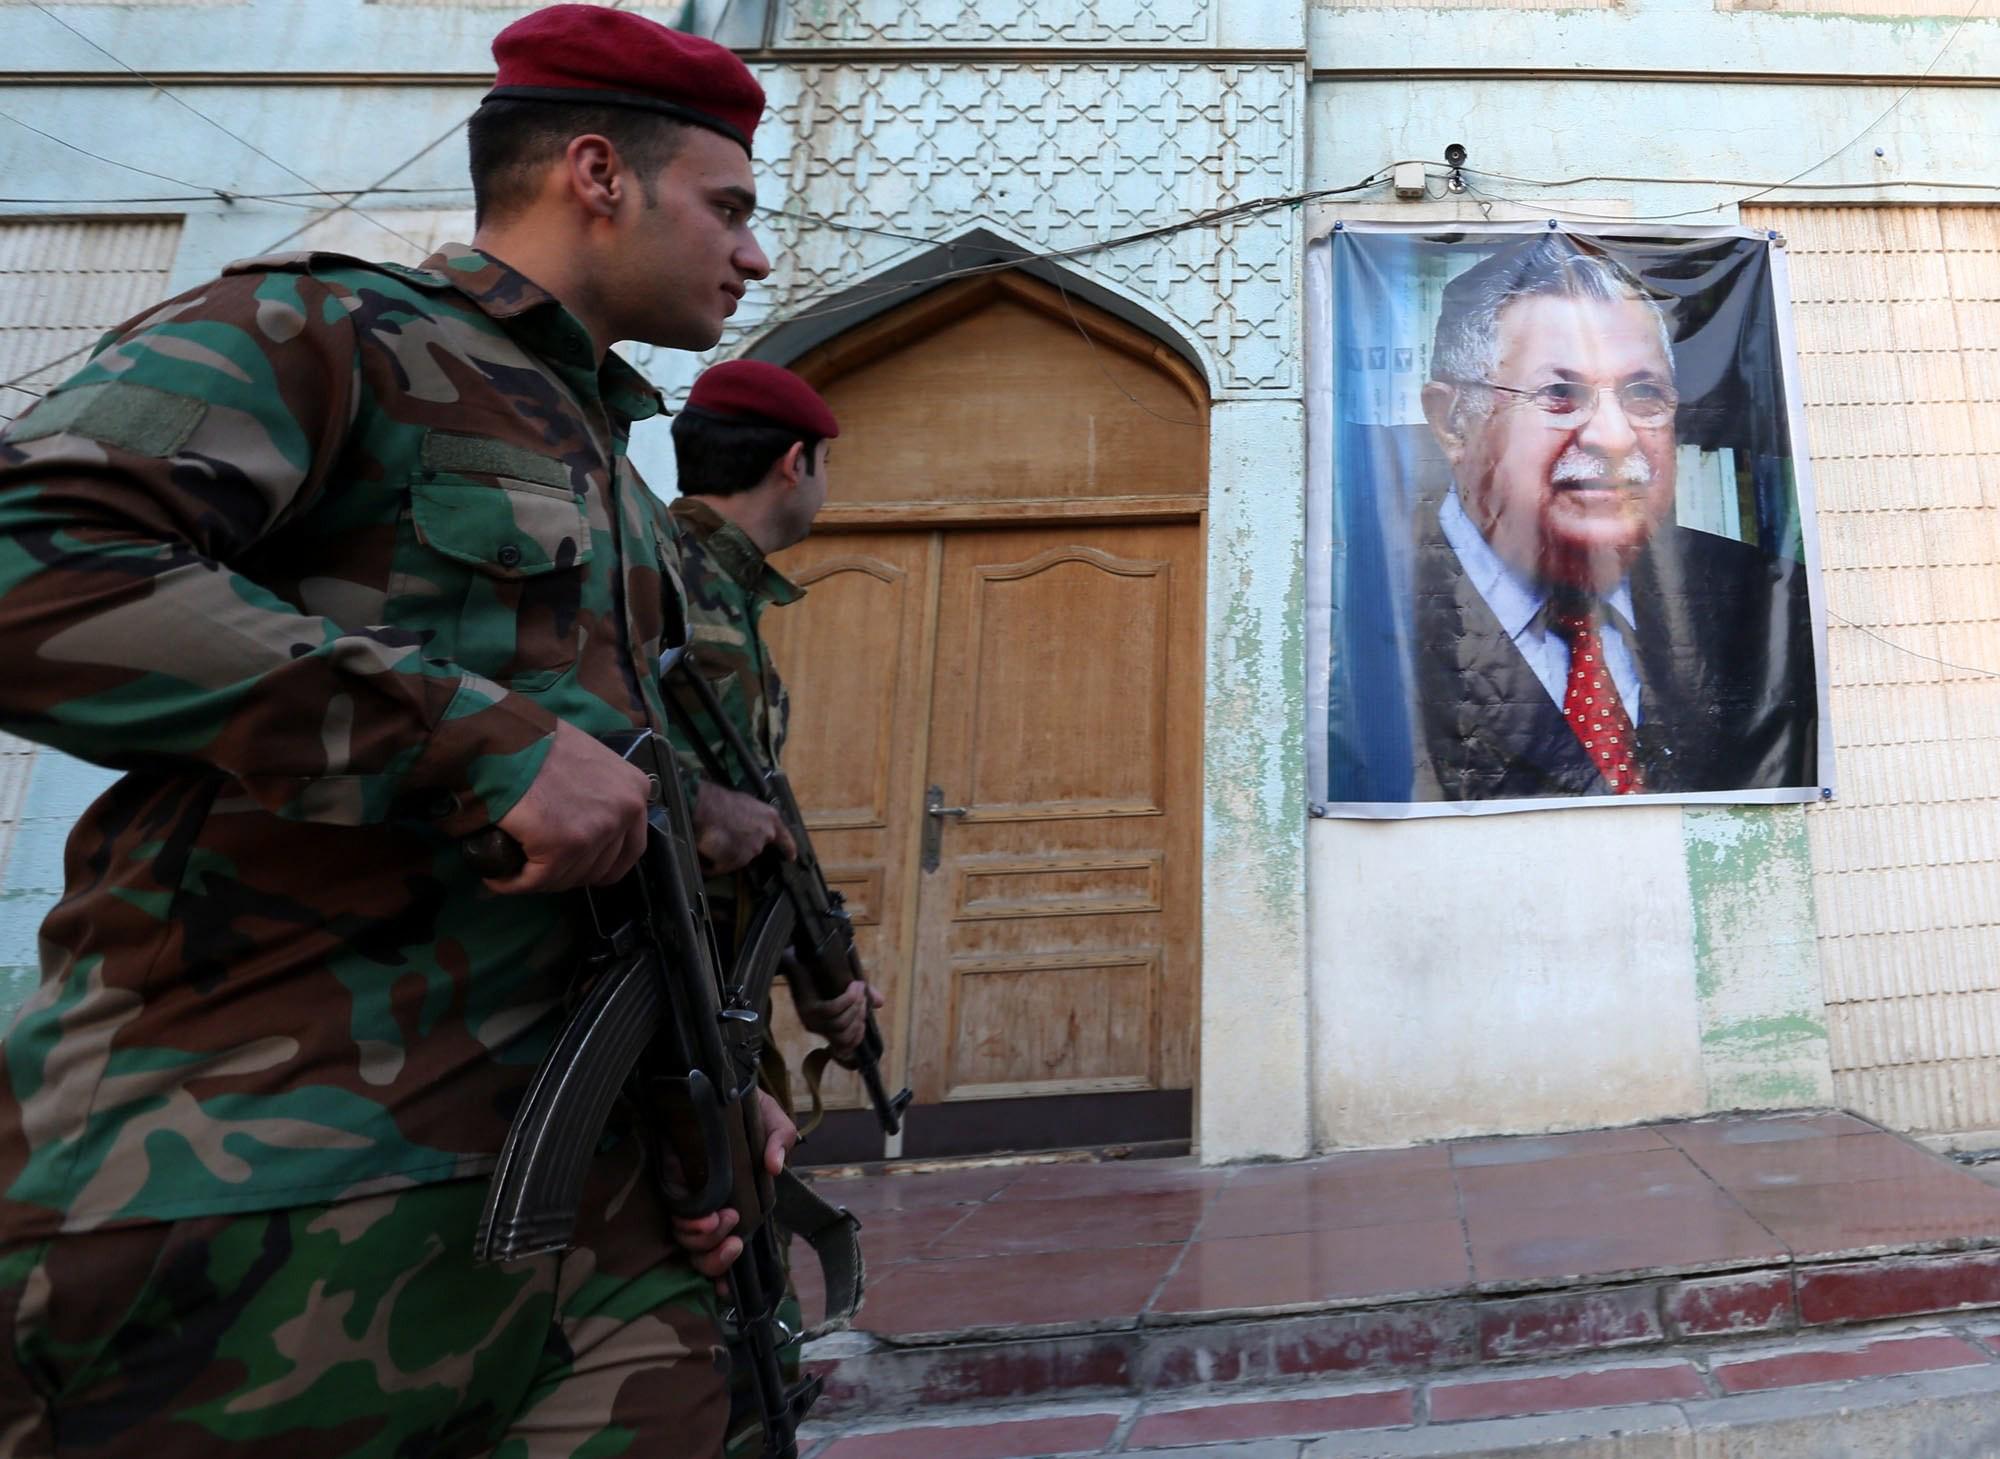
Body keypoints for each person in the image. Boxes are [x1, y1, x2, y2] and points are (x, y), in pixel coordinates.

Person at [0, 6, 799, 1454]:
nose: (754, 254)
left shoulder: (605, 464)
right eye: (731, 206)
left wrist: (711, 1085)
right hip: (268, 1194)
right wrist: (466, 742)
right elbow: (32, 558)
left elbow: (599, 794)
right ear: (597, 173)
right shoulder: (329, 330)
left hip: (570, 1200)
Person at [1411, 234, 1818, 801]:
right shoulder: (1359, 624)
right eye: (1560, 394)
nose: (1614, 436)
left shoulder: (1769, 602)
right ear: (1454, 422)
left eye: (1644, 394)